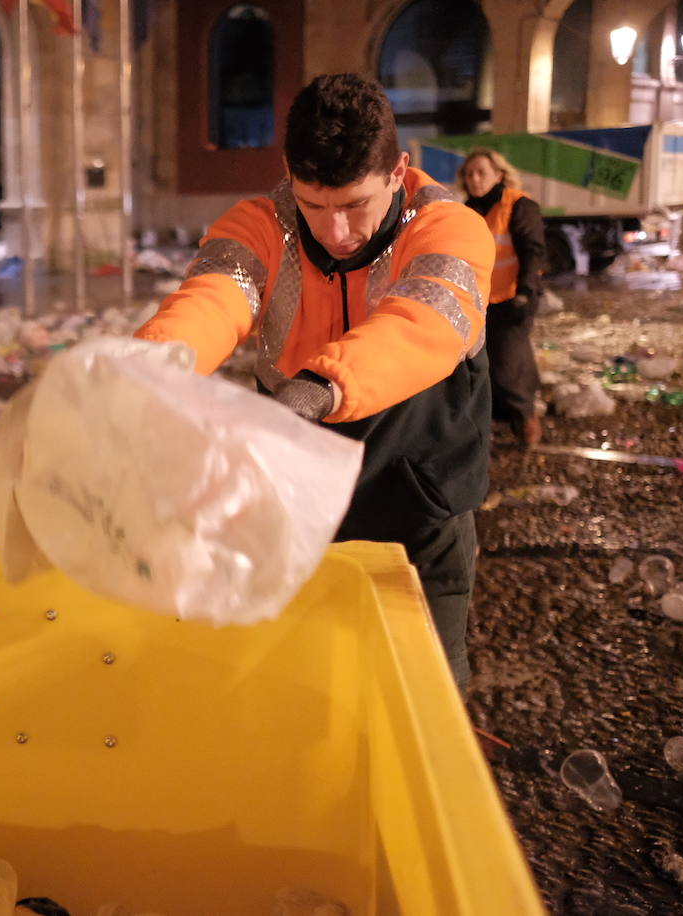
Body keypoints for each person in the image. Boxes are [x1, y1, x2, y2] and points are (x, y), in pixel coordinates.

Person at [134, 73, 494, 687]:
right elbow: (209, 302)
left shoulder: (448, 227)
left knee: (425, 687)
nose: (336, 232)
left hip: (419, 503)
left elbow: (425, 318)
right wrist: (141, 374)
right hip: (301, 509)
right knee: (311, 683)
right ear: (288, 174)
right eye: (314, 205)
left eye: (355, 205)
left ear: (398, 171)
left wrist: (319, 388)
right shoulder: (257, 226)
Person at [459, 147, 547, 447]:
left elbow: (533, 251)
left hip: (513, 298)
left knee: (510, 365)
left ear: (498, 175)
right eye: (469, 174)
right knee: (486, 364)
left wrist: (526, 292)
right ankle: (499, 420)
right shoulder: (468, 210)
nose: (474, 179)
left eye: (481, 172)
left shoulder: (519, 205)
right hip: (481, 302)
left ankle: (527, 423)